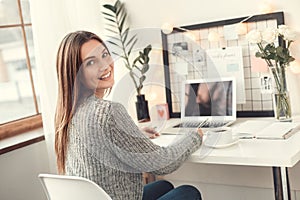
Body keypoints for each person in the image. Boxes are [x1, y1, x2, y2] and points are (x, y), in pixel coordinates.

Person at [54, 31, 203, 200]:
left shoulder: (68, 113)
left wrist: (134, 135)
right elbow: (162, 164)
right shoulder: (107, 112)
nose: (105, 66)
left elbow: (105, 142)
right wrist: (194, 137)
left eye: (105, 55)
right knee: (189, 192)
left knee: (164, 186)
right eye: (91, 62)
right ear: (76, 73)